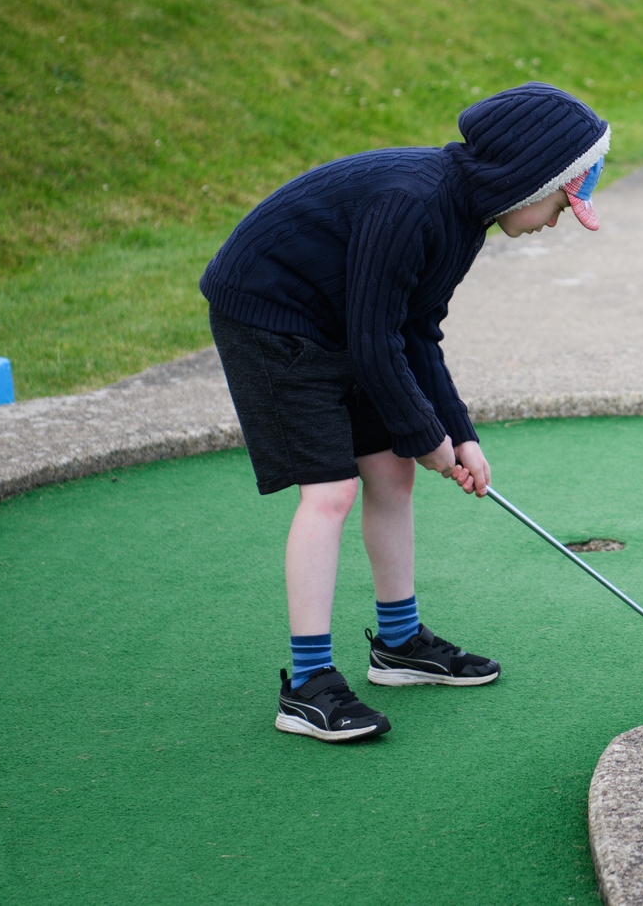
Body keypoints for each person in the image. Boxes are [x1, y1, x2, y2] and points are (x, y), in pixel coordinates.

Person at [200, 82, 609, 742]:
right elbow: (374, 341)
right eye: (561, 203)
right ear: (528, 180)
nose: (557, 220)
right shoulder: (412, 202)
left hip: (344, 317)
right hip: (272, 315)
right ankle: (307, 685)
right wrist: (427, 435)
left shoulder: (465, 219)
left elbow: (414, 331)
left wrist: (458, 434)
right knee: (330, 490)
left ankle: (398, 644)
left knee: (393, 472)